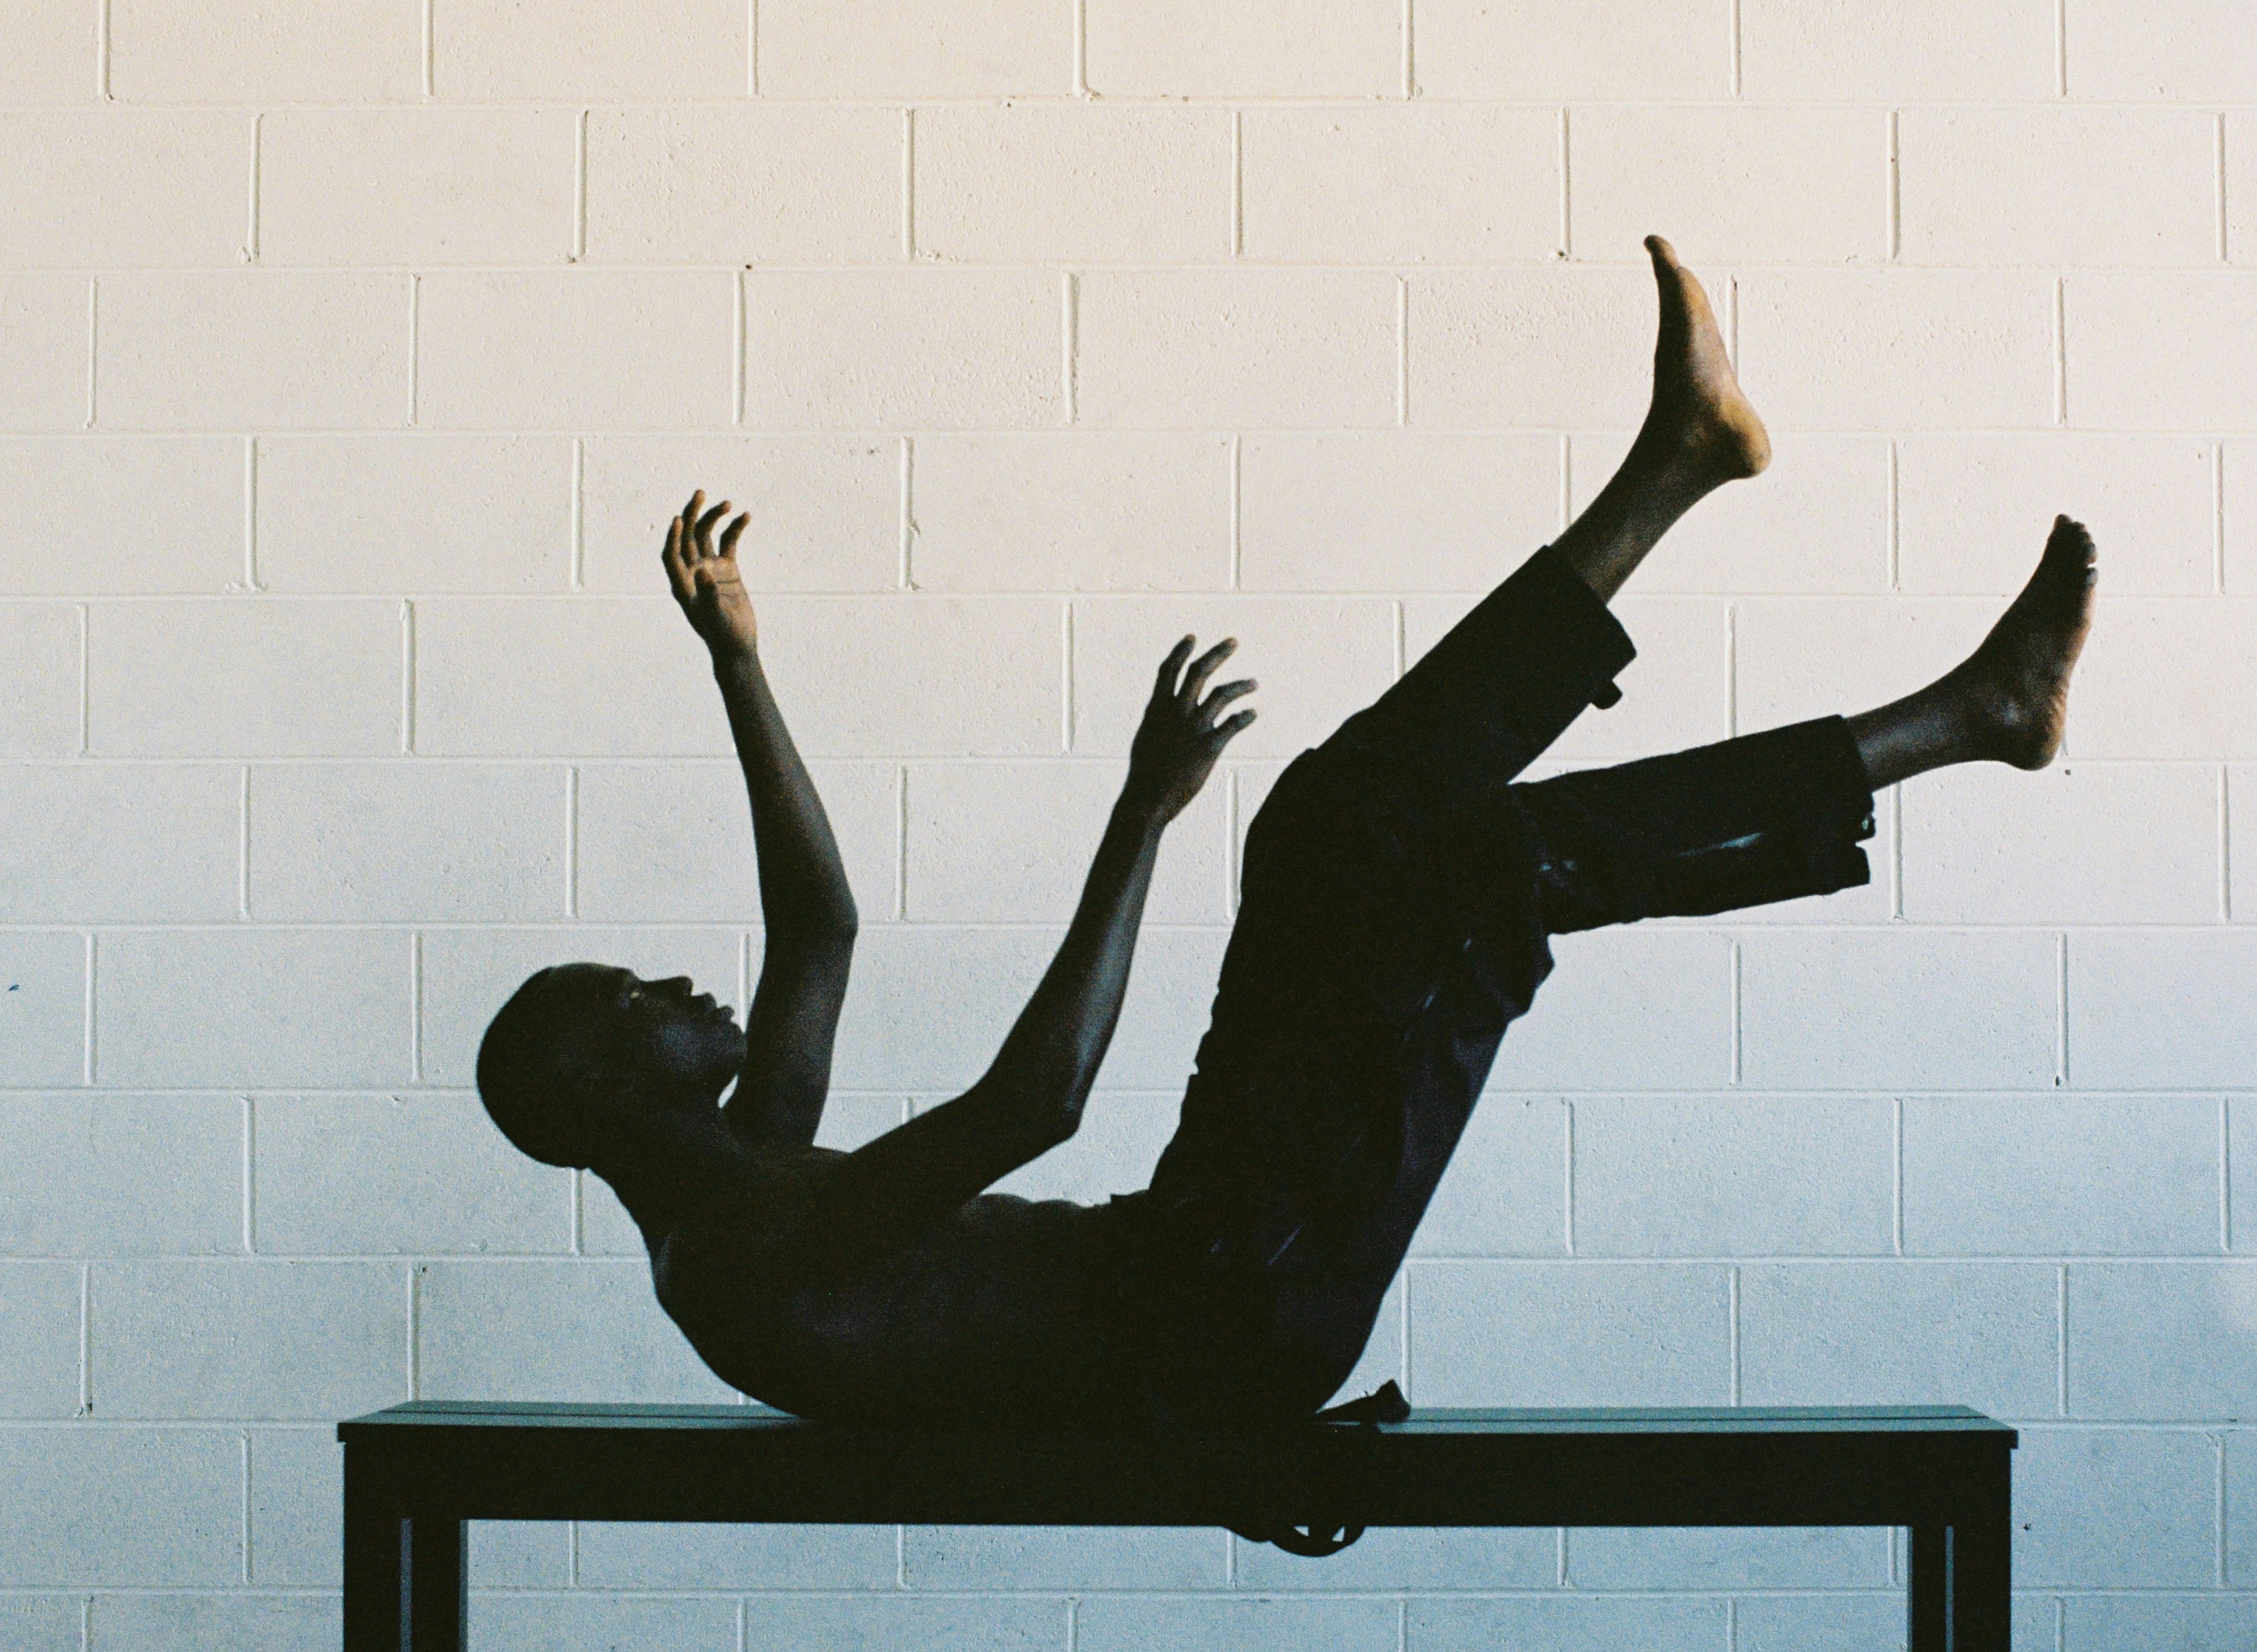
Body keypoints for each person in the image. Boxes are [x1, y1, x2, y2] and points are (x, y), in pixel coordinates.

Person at [476, 237, 2097, 1437]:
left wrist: (739, 663)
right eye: (630, 997)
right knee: (1477, 878)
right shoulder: (735, 1244)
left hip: (1213, 1243)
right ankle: (1957, 721)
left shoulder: (746, 1159)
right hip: (1240, 1304)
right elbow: (1034, 1106)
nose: (675, 985)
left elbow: (819, 932)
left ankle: (1679, 477)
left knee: (1333, 817)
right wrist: (1137, 814)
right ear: (603, 1089)